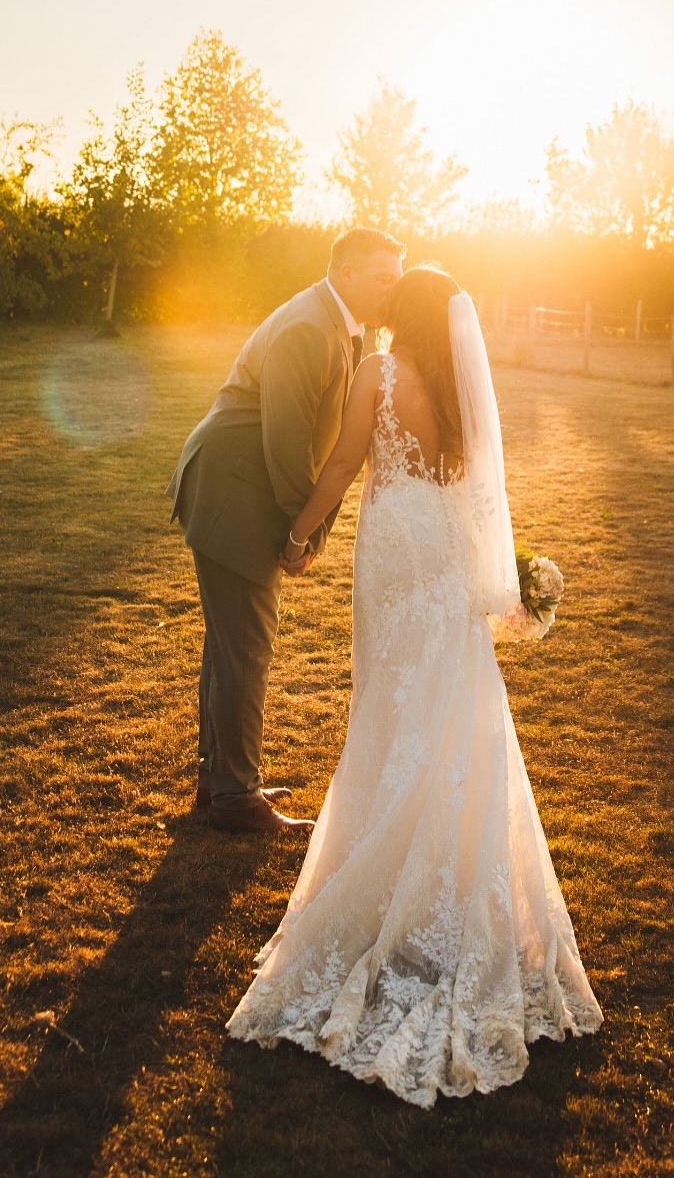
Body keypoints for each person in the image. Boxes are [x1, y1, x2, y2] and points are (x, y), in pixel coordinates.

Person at [226, 266, 603, 1103]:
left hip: (393, 544)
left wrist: (299, 532)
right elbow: (478, 493)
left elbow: (342, 466)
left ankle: (384, 881)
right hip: (440, 546)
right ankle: (452, 877)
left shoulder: (379, 373)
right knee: (455, 692)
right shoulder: (462, 390)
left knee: (390, 698)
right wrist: (494, 580)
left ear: (406, 317)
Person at [167, 227, 405, 833]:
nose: (393, 289)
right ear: (346, 273)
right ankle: (236, 798)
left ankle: (221, 779)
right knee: (245, 648)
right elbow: (287, 446)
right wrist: (306, 533)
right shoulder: (308, 328)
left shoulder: (344, 324)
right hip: (236, 493)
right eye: (383, 277)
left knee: (231, 646)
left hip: (243, 489)